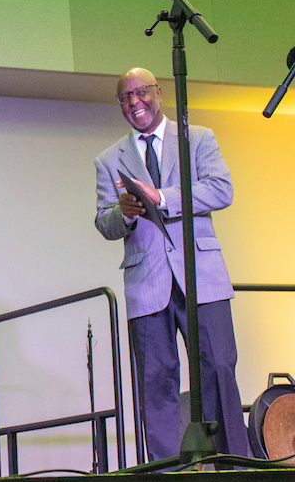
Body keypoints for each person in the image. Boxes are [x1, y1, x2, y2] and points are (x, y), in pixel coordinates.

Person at [94, 67, 249, 461]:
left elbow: (221, 189)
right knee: (155, 380)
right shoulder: (109, 159)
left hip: (202, 274)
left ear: (159, 93)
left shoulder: (196, 138)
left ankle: (234, 467)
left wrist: (160, 197)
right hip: (146, 283)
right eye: (125, 98)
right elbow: (104, 221)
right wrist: (126, 213)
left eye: (141, 92)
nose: (134, 102)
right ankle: (167, 476)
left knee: (218, 369)